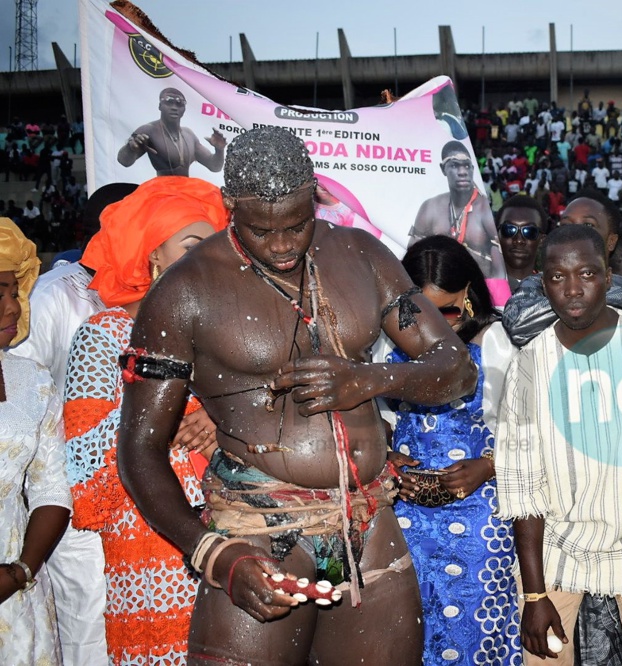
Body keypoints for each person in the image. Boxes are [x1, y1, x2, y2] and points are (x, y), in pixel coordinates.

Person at [115, 126, 477, 665]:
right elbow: (139, 451)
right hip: (258, 533)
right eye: (262, 230)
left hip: (365, 526)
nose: (283, 245)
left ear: (314, 196)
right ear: (229, 205)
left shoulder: (359, 255)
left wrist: (370, 380)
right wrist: (216, 556)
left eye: (298, 224)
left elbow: (456, 369)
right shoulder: (184, 292)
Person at [496, 224, 622, 664]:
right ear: (543, 284)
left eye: (587, 274)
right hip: (556, 558)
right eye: (558, 277)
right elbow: (523, 490)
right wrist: (535, 596)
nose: (574, 290)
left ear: (608, 277)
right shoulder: (529, 365)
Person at [65, 177, 229, 664]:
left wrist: (220, 427)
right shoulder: (104, 337)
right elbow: (87, 474)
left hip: (235, 533)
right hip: (150, 543)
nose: (207, 262)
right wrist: (166, 421)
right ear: (151, 254)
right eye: (192, 246)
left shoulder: (221, 336)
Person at [10, 182, 137, 665]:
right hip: (72, 503)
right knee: (87, 634)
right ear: (101, 232)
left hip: (135, 497)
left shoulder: (144, 296)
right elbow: (20, 400)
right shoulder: (53, 297)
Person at [379, 235, 519, 665]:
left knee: (477, 634)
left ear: (469, 297)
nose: (435, 326)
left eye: (448, 312)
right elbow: (376, 420)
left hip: (479, 516)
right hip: (405, 514)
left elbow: (526, 428)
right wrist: (388, 455)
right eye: (422, 314)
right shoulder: (387, 344)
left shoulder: (493, 342)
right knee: (408, 631)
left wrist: (489, 466)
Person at [0, 218, 72, 666]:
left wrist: (22, 570)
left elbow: (51, 490)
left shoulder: (33, 381)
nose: (11, 308)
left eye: (13, 292)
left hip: (18, 587)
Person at [501, 190, 622, 348]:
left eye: (588, 226)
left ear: (611, 241)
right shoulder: (536, 283)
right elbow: (519, 323)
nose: (573, 233)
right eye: (566, 225)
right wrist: (614, 298)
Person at [411, 141, 510, 305]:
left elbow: (498, 267)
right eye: (455, 166)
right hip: (437, 300)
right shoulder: (430, 208)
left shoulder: (483, 208)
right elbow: (412, 257)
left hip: (480, 300)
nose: (462, 172)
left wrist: (498, 306)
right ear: (443, 169)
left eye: (467, 166)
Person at [117, 87, 227, 177]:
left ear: (184, 109)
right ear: (160, 106)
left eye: (179, 104)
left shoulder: (189, 134)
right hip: (162, 194)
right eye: (169, 102)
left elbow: (214, 166)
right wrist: (130, 148)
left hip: (187, 192)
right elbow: (124, 161)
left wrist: (219, 149)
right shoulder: (149, 130)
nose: (174, 107)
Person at [496, 195, 547, 294]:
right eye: (509, 230)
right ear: (497, 235)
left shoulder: (552, 290)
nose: (519, 240)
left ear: (542, 240)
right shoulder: (479, 289)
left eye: (529, 232)